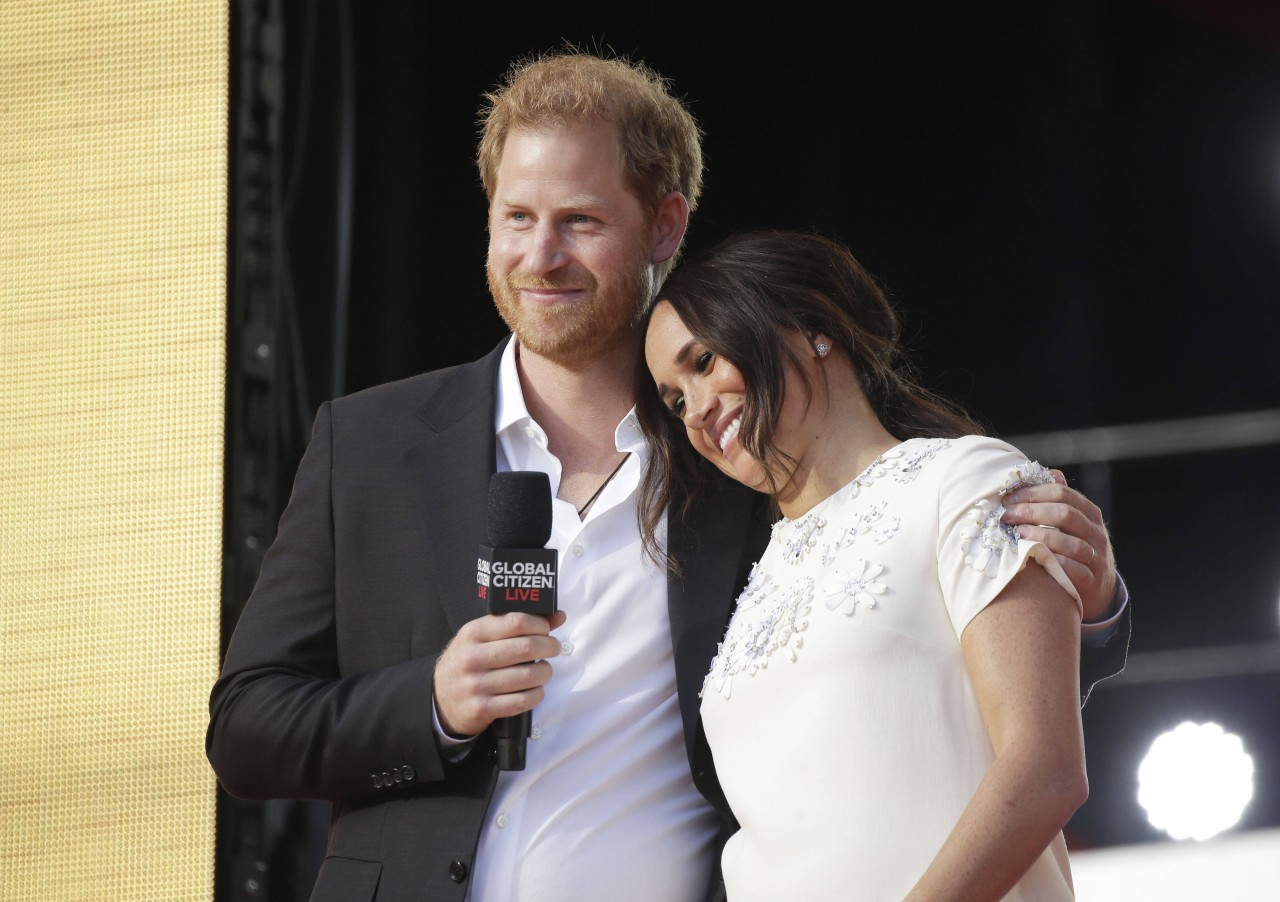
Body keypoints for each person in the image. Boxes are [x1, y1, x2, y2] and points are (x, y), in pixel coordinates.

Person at [207, 51, 1129, 902]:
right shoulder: (368, 443)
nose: (541, 256)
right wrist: (433, 704)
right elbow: (246, 728)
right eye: (517, 217)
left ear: (666, 225)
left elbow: (915, 627)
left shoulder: (745, 454)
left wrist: (1097, 608)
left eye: (580, 221)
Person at [639, 229, 1103, 900]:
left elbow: (1046, 768)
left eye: (705, 361)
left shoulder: (962, 481)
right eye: (675, 400)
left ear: (813, 327)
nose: (697, 410)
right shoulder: (752, 582)